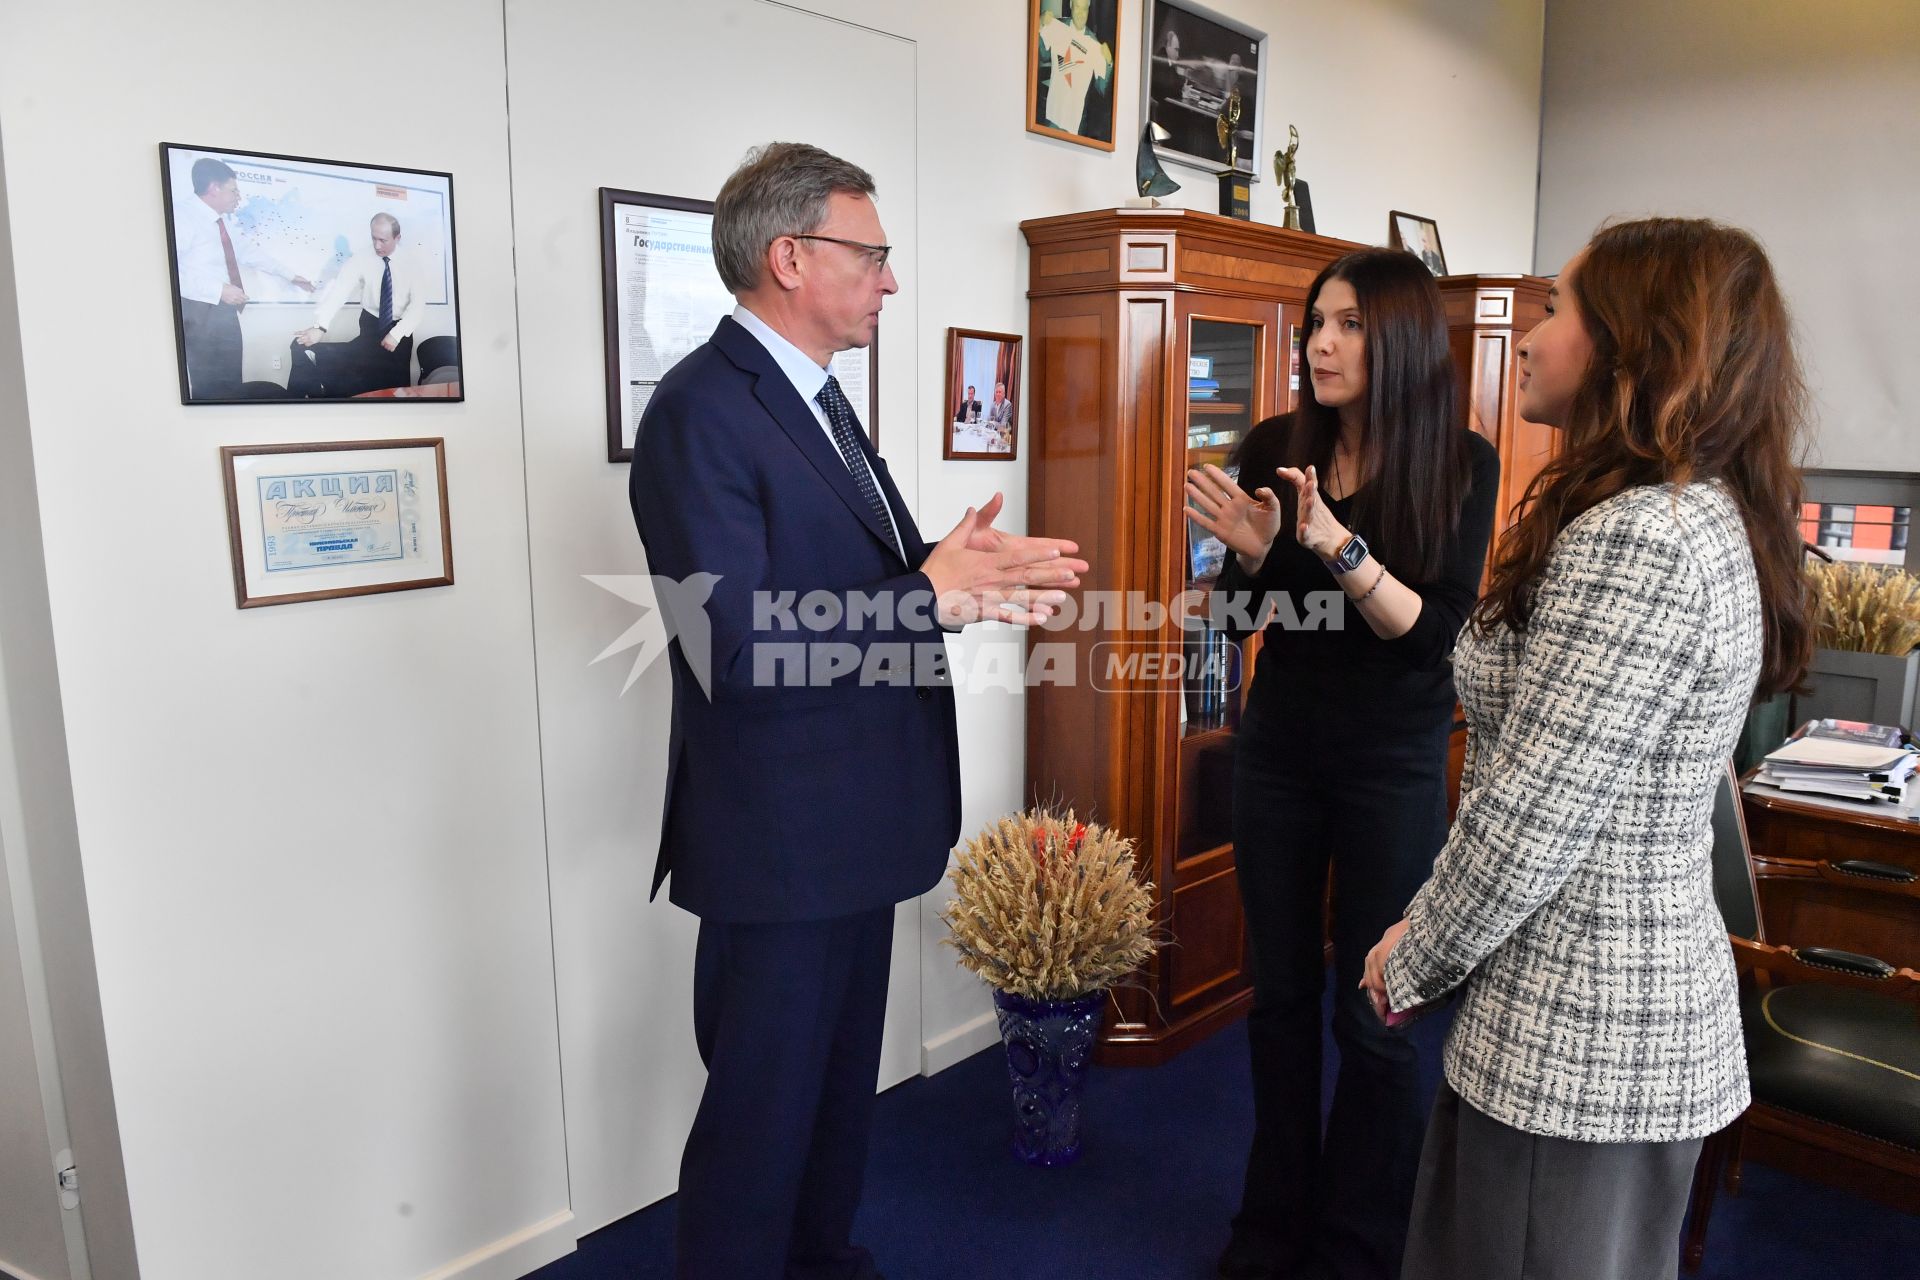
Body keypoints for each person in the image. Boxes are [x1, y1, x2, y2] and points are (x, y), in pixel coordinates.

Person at [628, 141, 1088, 1280]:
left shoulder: (816, 399)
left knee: (834, 1099)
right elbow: (735, 645)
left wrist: (946, 568)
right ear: (790, 256)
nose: (888, 280)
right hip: (779, 842)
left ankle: (819, 1260)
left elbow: (838, 589)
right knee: (759, 1121)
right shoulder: (701, 412)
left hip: (851, 829)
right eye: (870, 254)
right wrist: (925, 594)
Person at [1362, 217, 1813, 1280]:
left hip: (1582, 1036)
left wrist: (1413, 952)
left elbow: (1531, 816)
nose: (1526, 330)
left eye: (1556, 307)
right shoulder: (1680, 515)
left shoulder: (1641, 539)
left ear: (1633, 344)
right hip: (1599, 1022)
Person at [1184, 248, 1500, 1280]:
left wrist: (1334, 543)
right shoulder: (1276, 444)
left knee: (1375, 1014)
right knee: (1278, 999)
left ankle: (1362, 1241)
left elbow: (1434, 638)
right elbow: (1234, 622)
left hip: (1391, 765)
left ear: (1399, 338)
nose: (1320, 341)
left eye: (1348, 323)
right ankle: (1270, 1222)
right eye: (1316, 320)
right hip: (1279, 754)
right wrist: (1245, 552)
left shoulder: (1462, 461)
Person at [170, 156, 313, 399]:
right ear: (214, 188)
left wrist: (290, 275)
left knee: (231, 382)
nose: (238, 196)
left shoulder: (222, 222)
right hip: (197, 313)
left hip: (224, 311)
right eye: (233, 190)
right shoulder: (182, 217)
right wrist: (218, 289)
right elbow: (171, 270)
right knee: (208, 387)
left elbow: (250, 252)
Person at [292, 212, 426, 396]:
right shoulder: (361, 258)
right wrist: (320, 326)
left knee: (395, 390)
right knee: (364, 383)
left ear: (397, 238)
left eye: (383, 240)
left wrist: (396, 334)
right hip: (371, 325)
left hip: (400, 331)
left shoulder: (412, 263)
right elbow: (339, 292)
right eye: (373, 238)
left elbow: (417, 308)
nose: (377, 246)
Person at [1035, 0, 1112, 137]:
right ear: (1071, 6)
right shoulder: (1058, 26)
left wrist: (1109, 63)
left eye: (1085, 9)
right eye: (1077, 7)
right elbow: (1042, 55)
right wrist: (1039, 24)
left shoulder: (1094, 45)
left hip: (1074, 126)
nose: (1081, 14)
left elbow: (1102, 88)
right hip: (1052, 116)